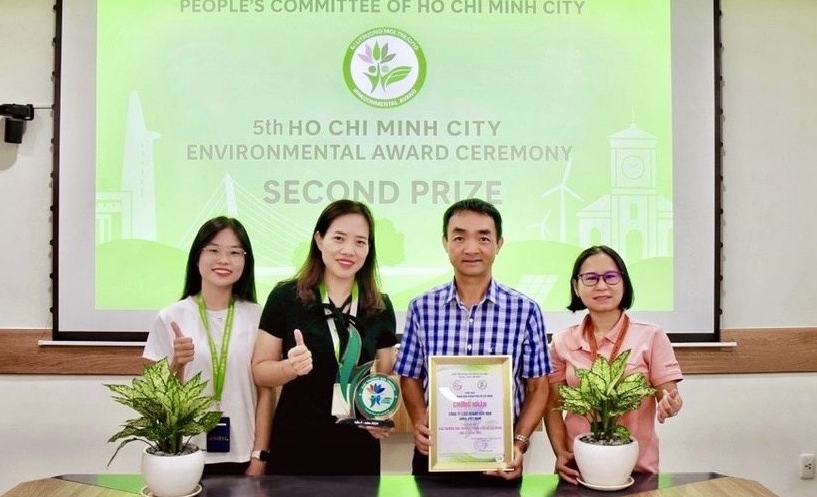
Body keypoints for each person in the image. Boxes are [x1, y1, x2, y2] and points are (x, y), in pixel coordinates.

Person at [394, 198, 552, 481]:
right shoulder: (422, 307)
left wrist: (518, 443)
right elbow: (410, 376)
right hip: (434, 454)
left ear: (499, 243)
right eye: (459, 237)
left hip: (500, 460)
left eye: (483, 238)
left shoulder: (525, 310)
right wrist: (419, 422)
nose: (471, 248)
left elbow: (538, 387)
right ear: (445, 242)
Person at [251, 200, 397, 475]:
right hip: (296, 446)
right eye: (339, 238)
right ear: (319, 239)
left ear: (369, 249)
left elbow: (387, 376)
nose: (349, 250)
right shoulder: (285, 297)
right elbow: (260, 372)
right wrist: (289, 368)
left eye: (360, 242)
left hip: (358, 451)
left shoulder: (379, 306)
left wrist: (382, 413)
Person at [143, 216, 273, 476]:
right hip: (183, 455)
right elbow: (153, 398)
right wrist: (176, 364)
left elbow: (266, 394)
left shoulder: (259, 316)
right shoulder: (170, 317)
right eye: (213, 250)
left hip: (245, 454)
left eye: (234, 252)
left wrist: (259, 456)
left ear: (245, 262)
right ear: (197, 257)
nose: (224, 260)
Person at [544, 245, 683, 484]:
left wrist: (670, 404)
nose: (601, 286)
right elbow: (552, 405)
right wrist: (560, 453)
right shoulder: (562, 341)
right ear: (576, 287)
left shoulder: (651, 336)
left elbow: (669, 394)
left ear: (624, 283)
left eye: (611, 277)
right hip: (579, 467)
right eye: (590, 278)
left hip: (636, 468)